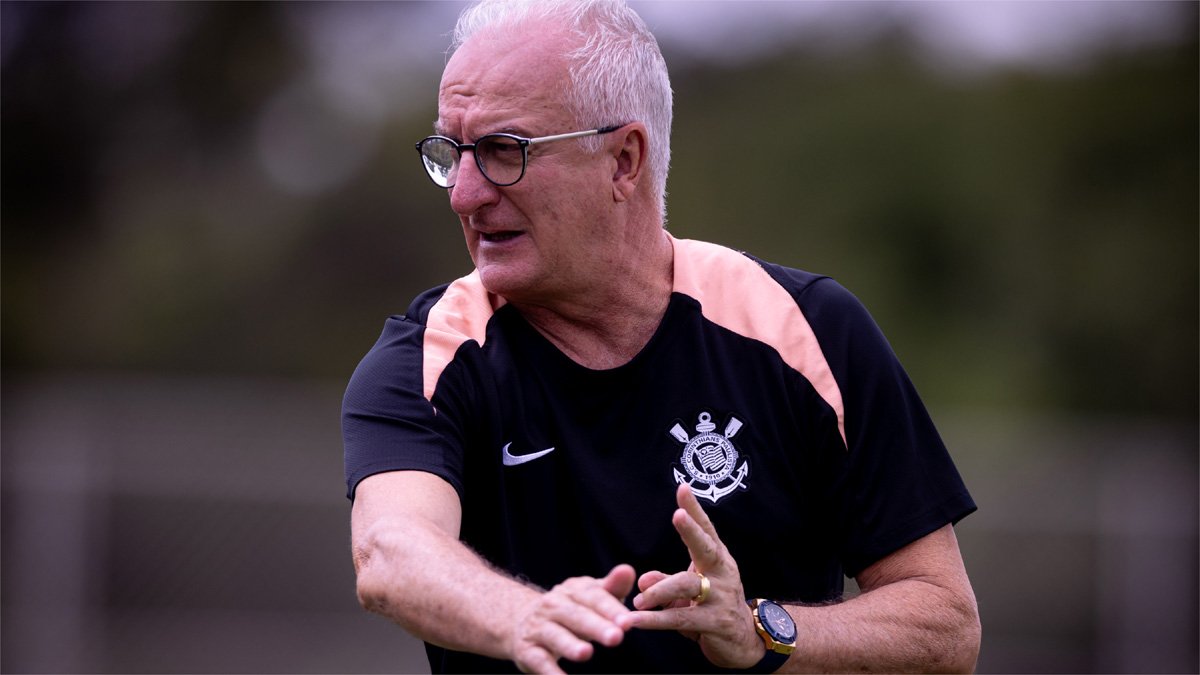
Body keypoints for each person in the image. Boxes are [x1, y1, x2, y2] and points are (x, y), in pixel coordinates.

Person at [342, 0, 981, 672]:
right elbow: (391, 552)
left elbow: (945, 626)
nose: (465, 193)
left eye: (505, 151)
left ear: (623, 160)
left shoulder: (805, 328)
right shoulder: (428, 357)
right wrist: (524, 616)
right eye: (453, 152)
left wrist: (761, 631)